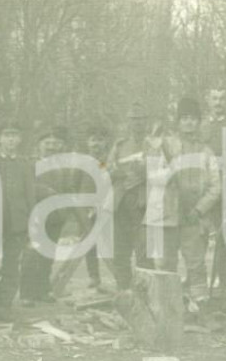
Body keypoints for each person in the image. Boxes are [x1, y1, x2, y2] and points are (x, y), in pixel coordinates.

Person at [152, 97, 220, 299]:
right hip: (169, 215)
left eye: (193, 118)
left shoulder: (206, 151)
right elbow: (153, 176)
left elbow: (215, 186)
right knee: (166, 264)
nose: (189, 122)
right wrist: (168, 173)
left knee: (196, 265)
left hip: (194, 217)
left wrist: (199, 210)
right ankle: (168, 307)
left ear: (199, 122)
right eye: (184, 118)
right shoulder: (166, 146)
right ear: (178, 122)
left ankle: (201, 308)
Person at [20, 126, 73, 305]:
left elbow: (68, 189)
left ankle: (43, 290)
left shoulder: (63, 166)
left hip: (56, 217)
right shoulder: (31, 164)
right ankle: (26, 293)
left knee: (48, 255)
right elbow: (27, 186)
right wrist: (47, 192)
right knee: (31, 255)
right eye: (47, 143)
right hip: (36, 216)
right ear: (39, 145)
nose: (51, 146)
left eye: (54, 143)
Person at [200, 85, 226, 298]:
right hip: (206, 188)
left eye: (222, 98)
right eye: (214, 98)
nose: (218, 103)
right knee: (199, 234)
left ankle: (223, 285)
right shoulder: (202, 125)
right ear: (208, 100)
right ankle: (198, 285)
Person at [0, 121, 35, 313]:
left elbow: (30, 195)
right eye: (6, 135)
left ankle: (4, 303)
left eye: (14, 135)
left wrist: (30, 222)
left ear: (20, 139)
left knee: (11, 263)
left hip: (17, 220)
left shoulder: (25, 164)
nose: (10, 139)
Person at [107, 104, 149, 290]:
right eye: (133, 119)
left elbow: (165, 170)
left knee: (144, 253)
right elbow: (104, 168)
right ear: (128, 122)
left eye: (140, 119)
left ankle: (143, 292)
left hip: (144, 205)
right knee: (119, 252)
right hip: (121, 203)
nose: (137, 124)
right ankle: (124, 290)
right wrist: (117, 171)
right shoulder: (119, 145)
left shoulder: (155, 144)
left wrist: (143, 174)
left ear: (146, 122)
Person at [79, 124, 112, 290]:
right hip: (87, 208)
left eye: (100, 140)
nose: (96, 144)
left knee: (110, 242)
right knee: (89, 243)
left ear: (105, 142)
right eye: (93, 140)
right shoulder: (82, 162)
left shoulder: (109, 160)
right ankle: (94, 276)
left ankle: (118, 275)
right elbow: (76, 184)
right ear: (87, 142)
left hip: (107, 207)